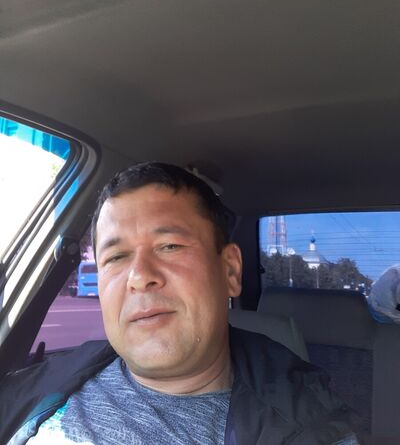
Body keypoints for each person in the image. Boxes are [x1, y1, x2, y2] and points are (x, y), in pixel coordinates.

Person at [1, 162, 359, 444]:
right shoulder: (42, 381)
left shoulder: (307, 430)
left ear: (230, 271)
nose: (139, 276)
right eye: (117, 257)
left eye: (169, 246)